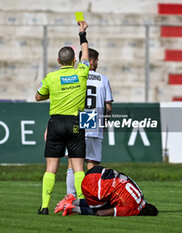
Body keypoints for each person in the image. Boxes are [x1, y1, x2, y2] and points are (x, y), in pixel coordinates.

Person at [35, 20, 89, 215]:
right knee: (78, 167)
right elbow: (86, 55)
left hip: (55, 123)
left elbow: (38, 97)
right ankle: (83, 204)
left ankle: (44, 206)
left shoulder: (50, 78)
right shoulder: (82, 72)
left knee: (51, 168)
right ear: (74, 61)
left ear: (58, 62)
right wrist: (82, 34)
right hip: (75, 122)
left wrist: (55, 94)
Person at [65, 48, 113, 197]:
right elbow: (108, 108)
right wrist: (104, 125)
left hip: (77, 122)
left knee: (73, 164)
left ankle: (70, 197)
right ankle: (91, 199)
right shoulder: (103, 79)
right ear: (91, 61)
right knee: (92, 164)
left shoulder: (74, 76)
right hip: (94, 123)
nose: (97, 63)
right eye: (97, 60)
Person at [55, 166, 159, 217]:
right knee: (103, 207)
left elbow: (125, 177)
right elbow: (101, 213)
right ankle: (72, 208)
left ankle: (73, 201)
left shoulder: (140, 194)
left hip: (99, 172)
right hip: (94, 186)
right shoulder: (133, 210)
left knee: (108, 200)